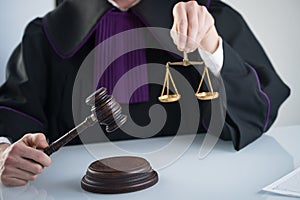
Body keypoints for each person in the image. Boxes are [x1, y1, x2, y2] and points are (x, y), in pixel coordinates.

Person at [0, 0, 290, 186]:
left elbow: (259, 113)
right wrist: (3, 152)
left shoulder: (211, 18)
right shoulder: (45, 34)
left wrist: (211, 47)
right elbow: (13, 117)